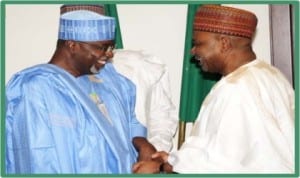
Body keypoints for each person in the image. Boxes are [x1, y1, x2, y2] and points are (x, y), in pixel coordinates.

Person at [133, 5, 295, 173]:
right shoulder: (271, 74)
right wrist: (171, 160)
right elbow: (223, 150)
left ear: (224, 43)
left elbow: (222, 164)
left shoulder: (236, 89)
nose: (193, 51)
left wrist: (161, 166)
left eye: (198, 44)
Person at [5, 9, 152, 174]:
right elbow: (35, 157)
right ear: (72, 45)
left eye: (111, 46)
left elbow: (131, 124)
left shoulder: (112, 83)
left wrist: (142, 144)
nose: (109, 54)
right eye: (102, 47)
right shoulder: (35, 89)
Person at [60, 4, 178, 153]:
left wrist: (152, 155)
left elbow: (160, 118)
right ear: (72, 43)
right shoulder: (47, 83)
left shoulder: (135, 67)